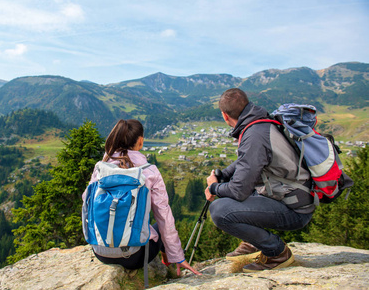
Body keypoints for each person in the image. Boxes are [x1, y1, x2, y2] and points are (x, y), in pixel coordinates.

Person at [205, 88, 315, 272]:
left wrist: (214, 188)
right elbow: (246, 161)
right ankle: (252, 242)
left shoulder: (254, 134)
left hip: (294, 209)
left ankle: (277, 253)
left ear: (225, 116)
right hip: (293, 197)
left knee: (220, 210)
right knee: (238, 192)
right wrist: (223, 175)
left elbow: (238, 190)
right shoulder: (260, 123)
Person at [83, 119, 201, 276]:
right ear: (140, 141)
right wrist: (178, 256)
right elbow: (163, 216)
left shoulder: (101, 167)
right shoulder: (149, 171)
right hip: (135, 257)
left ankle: (167, 263)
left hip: (100, 252)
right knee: (159, 226)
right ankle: (170, 263)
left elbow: (86, 200)